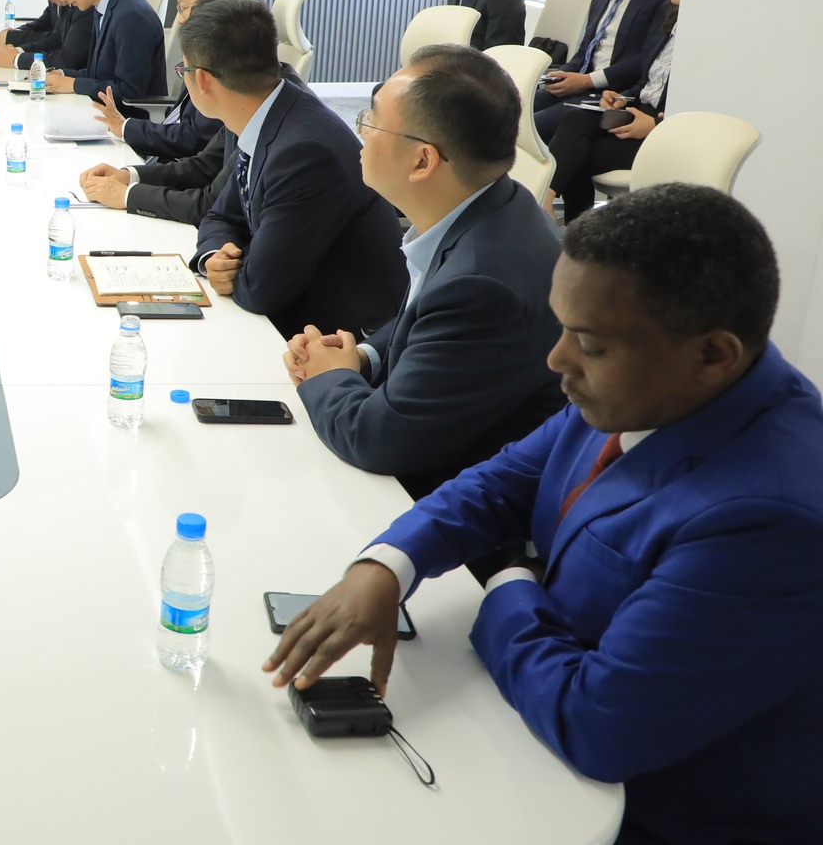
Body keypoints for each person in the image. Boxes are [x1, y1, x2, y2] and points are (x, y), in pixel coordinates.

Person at [265, 184, 823, 845]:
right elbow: (501, 483)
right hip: (535, 733)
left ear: (713, 354)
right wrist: (386, 565)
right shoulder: (649, 385)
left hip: (637, 813)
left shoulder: (770, 517)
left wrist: (507, 583)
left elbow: (598, 725)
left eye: (587, 342)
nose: (557, 360)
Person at [287, 45, 564, 499]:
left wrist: (325, 376)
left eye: (371, 121)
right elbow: (429, 317)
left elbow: (378, 440)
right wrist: (361, 358)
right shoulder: (496, 204)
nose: (360, 132)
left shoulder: (481, 285)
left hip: (465, 509)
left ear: (422, 161)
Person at [185, 0, 407, 336]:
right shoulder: (271, 115)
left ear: (202, 80)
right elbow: (219, 215)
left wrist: (233, 271)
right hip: (292, 315)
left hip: (338, 339)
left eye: (183, 70)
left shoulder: (304, 153)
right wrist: (215, 255)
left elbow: (260, 290)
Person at [548, 0, 685, 221]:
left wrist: (656, 124)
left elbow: (700, 103)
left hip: (665, 129)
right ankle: (550, 205)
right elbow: (647, 82)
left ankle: (566, 217)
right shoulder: (670, 24)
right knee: (576, 118)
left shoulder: (707, 39)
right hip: (638, 110)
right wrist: (623, 98)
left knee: (576, 154)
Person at [533, 0, 671, 141]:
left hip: (614, 94)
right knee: (511, 109)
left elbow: (647, 60)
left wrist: (587, 80)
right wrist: (561, 76)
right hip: (581, 85)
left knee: (532, 126)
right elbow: (585, 50)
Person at [86, 0, 238, 160]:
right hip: (167, 152)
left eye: (184, 8)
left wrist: (125, 128)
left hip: (179, 164)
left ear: (215, 5)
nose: (181, 20)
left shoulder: (227, 66)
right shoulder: (204, 51)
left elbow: (193, 140)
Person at [42, 0, 169, 107]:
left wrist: (73, 84)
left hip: (125, 117)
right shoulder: (106, 6)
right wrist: (63, 75)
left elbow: (129, 92)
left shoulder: (130, 16)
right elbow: (99, 75)